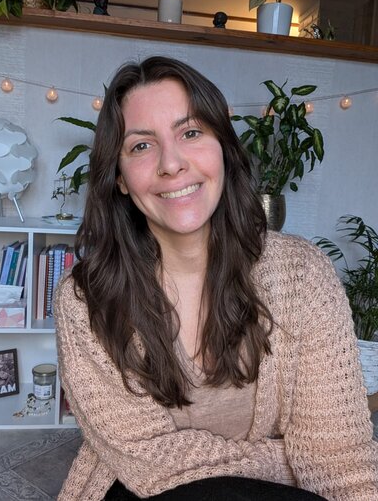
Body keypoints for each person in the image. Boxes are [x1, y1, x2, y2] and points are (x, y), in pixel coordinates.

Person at [54, 56, 378, 501]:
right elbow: (145, 456)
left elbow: (339, 459)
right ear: (121, 178)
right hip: (138, 490)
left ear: (223, 148)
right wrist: (284, 460)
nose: (172, 164)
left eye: (190, 133)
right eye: (141, 146)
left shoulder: (303, 277)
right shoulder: (84, 300)